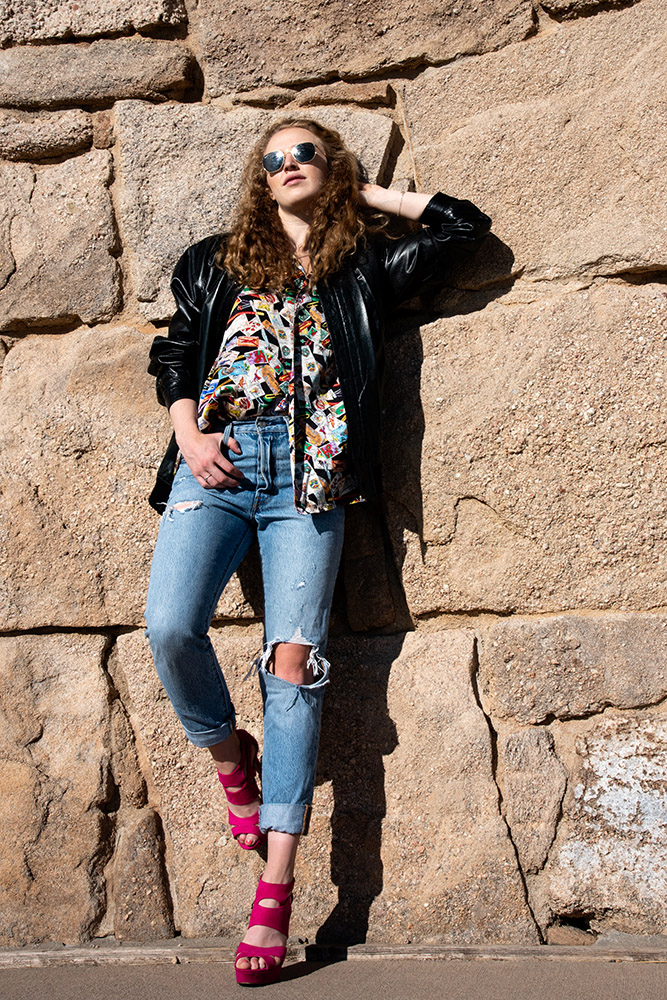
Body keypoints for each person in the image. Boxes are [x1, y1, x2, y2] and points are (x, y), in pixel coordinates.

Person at [145, 116, 491, 985]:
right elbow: (177, 354)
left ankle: (275, 890)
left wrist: (364, 192)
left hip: (313, 483)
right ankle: (233, 760)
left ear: (327, 168)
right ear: (258, 181)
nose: (288, 165)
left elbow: (463, 227)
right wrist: (189, 435)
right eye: (273, 159)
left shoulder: (364, 264)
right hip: (217, 466)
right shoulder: (213, 260)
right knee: (169, 629)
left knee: (293, 668)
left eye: (305, 154)